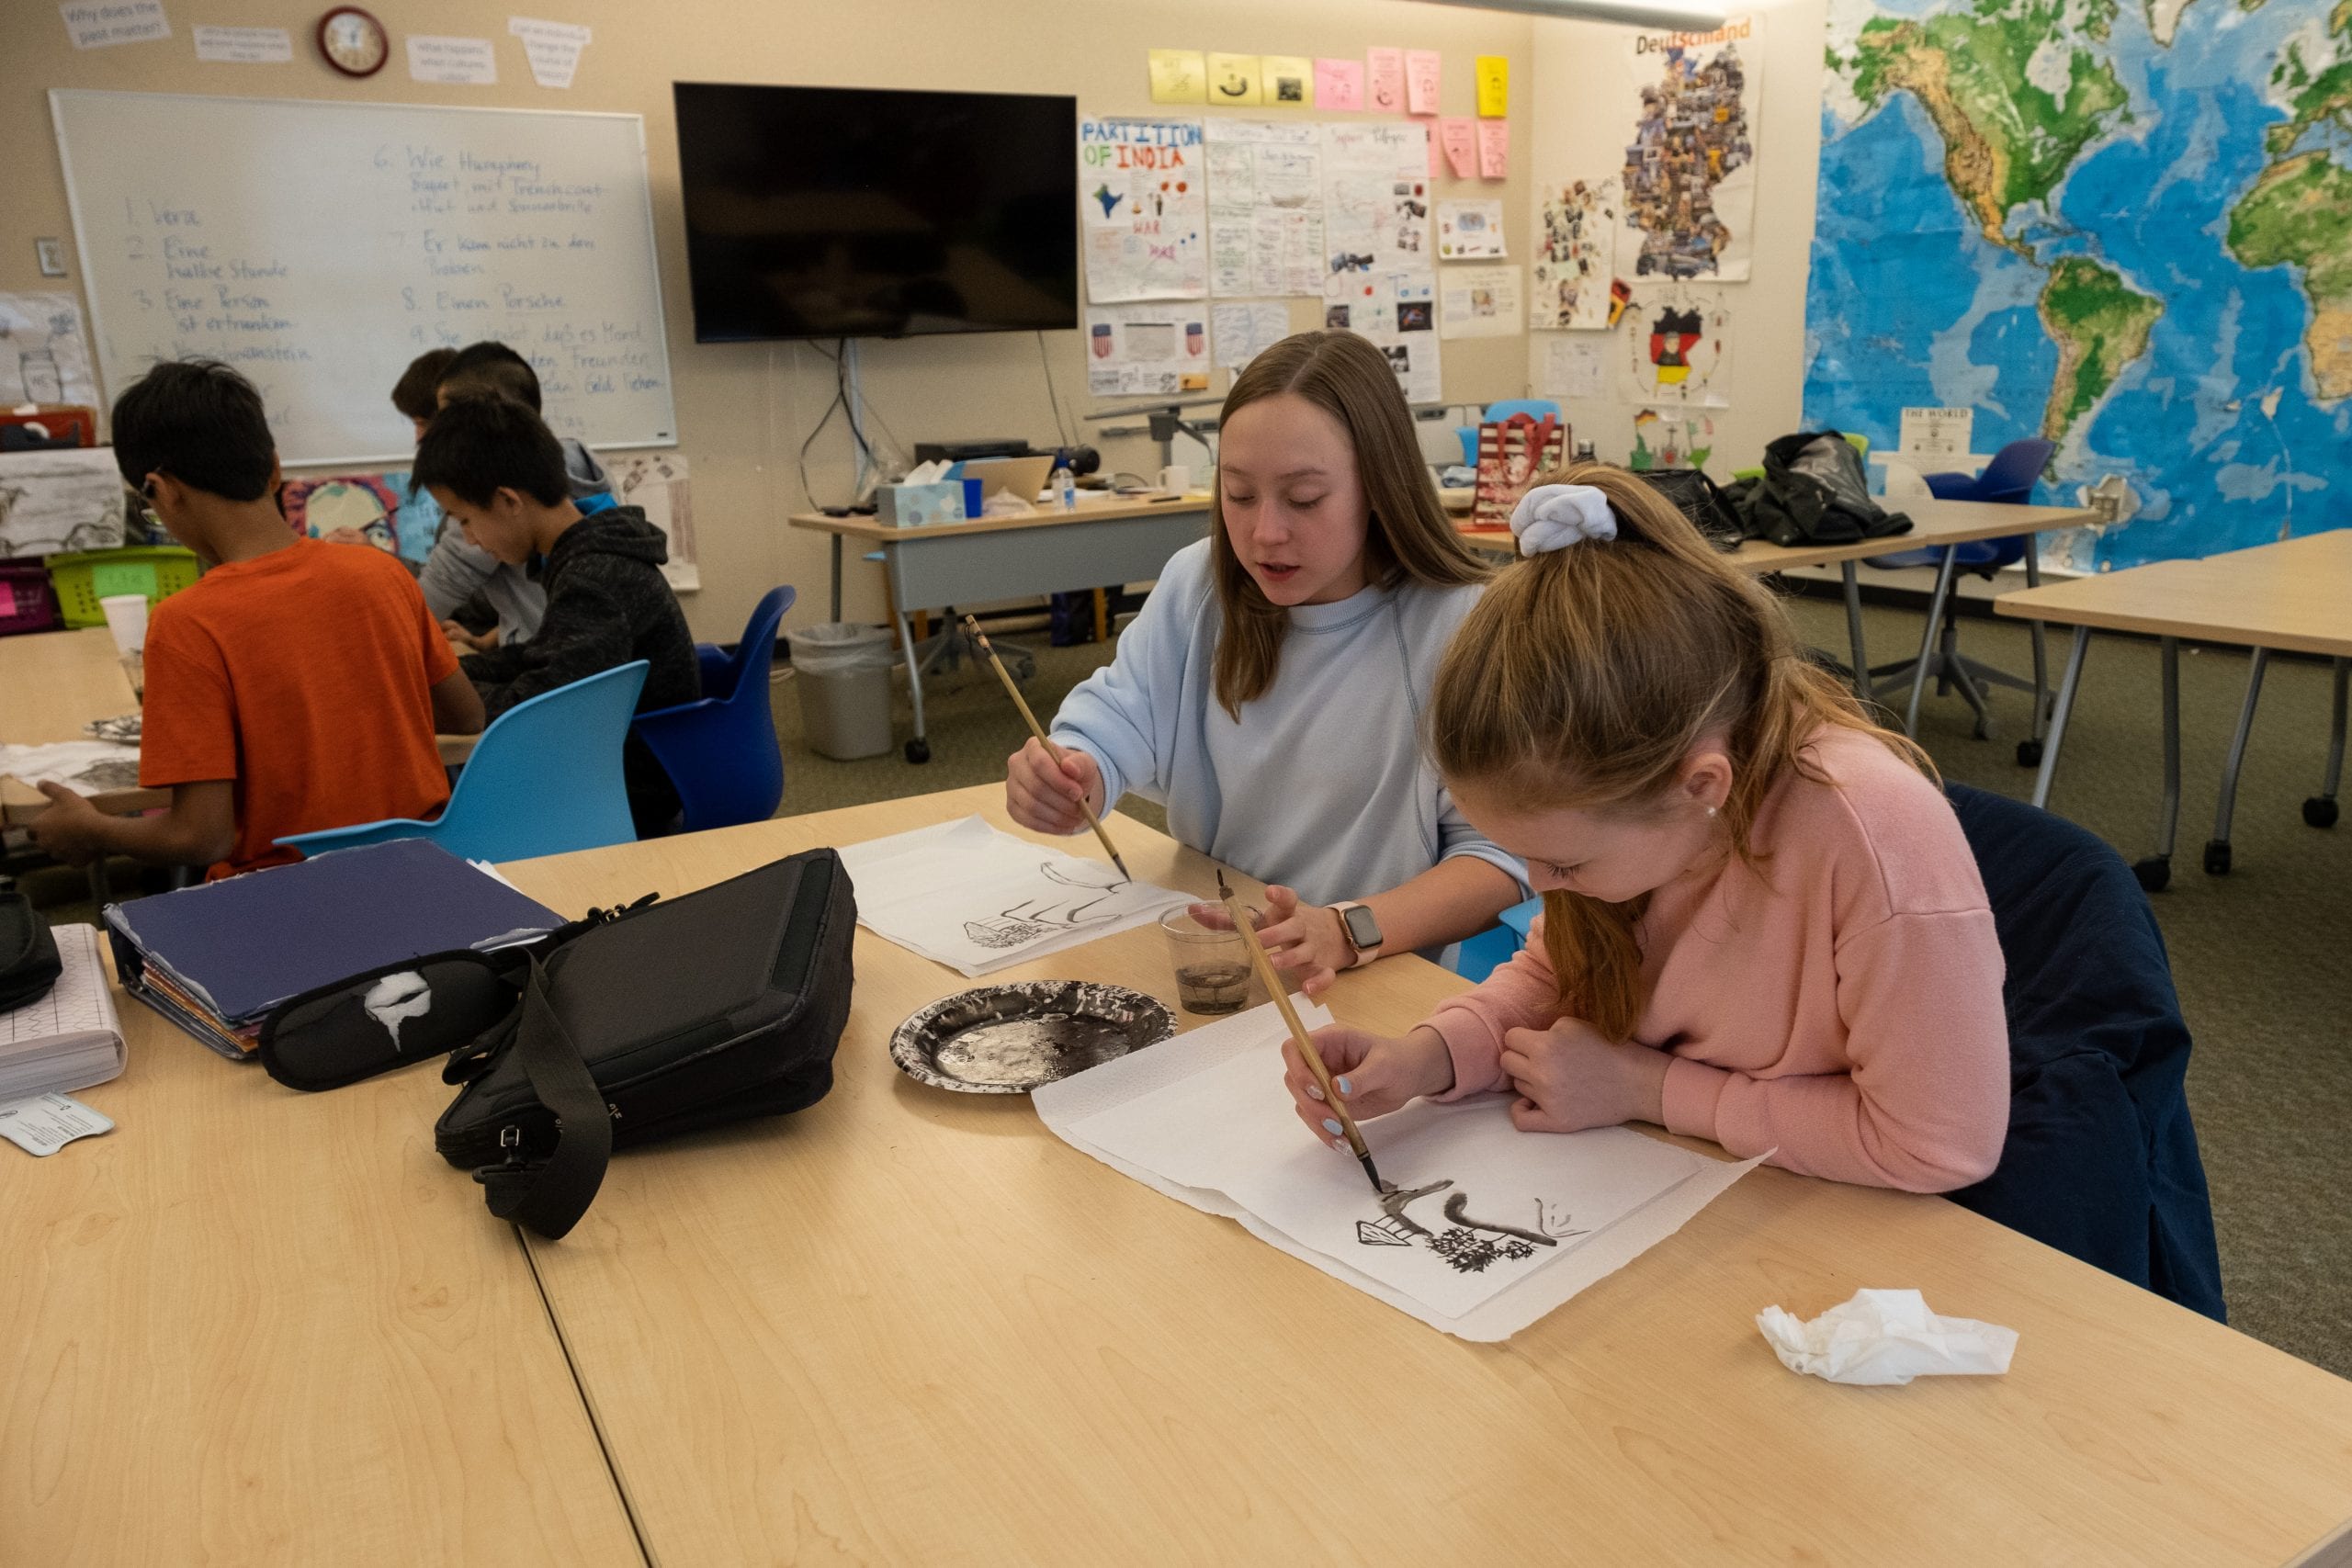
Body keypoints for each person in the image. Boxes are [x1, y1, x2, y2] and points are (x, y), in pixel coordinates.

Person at [1281, 466, 2010, 1193]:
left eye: (1562, 864)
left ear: (1700, 788)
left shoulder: (1874, 835)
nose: (1537, 884)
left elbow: (1937, 1144)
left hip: (1845, 1220)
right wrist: (1428, 1056)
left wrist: (1649, 1090)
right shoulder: (1629, 815)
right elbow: (1558, 971)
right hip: (1709, 1182)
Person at [1007, 331, 1526, 994]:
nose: (1264, 533)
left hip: (1383, 976)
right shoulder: (1200, 584)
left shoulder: (1462, 624)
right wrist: (1077, 772)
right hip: (1219, 950)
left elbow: (1502, 856)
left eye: (1305, 499)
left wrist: (1346, 929)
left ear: (1380, 487)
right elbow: (1120, 717)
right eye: (1239, 495)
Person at [28, 360, 483, 880]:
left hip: (283, 901)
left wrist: (92, 830)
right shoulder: (381, 573)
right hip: (426, 874)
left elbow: (201, 835)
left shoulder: (188, 623)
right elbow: (465, 716)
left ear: (163, 489)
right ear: (273, 468)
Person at [412, 392, 695, 834]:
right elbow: (543, 658)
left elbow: (535, 711)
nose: (469, 540)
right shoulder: (585, 554)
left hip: (628, 797)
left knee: (445, 831)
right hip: (615, 772)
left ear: (508, 500)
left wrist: (435, 696)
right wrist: (448, 671)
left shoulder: (596, 578)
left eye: (464, 519)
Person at [415, 340, 613, 653]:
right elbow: (541, 607)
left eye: (449, 420)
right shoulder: (582, 462)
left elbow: (431, 598)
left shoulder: (487, 496)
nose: (441, 434)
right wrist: (485, 641)